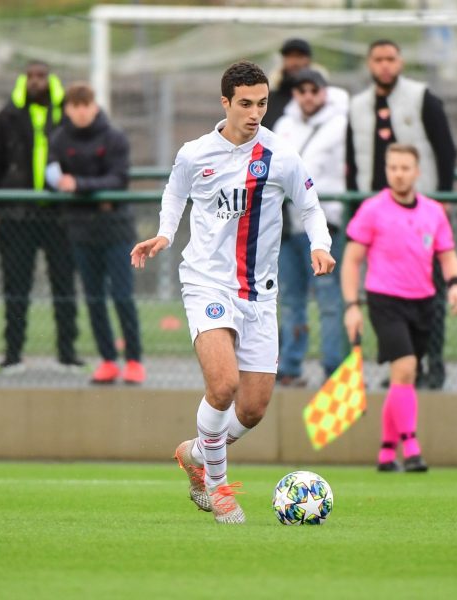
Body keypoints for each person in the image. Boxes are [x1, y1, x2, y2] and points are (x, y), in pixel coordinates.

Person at [130, 61, 335, 524]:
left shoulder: (279, 154)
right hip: (207, 281)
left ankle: (198, 452)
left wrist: (320, 245)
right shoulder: (195, 153)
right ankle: (219, 488)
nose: (254, 112)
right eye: (245, 103)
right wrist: (165, 233)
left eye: (261, 103)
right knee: (222, 386)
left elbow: (309, 205)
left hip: (260, 295)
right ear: (225, 102)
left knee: (255, 407)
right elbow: (174, 193)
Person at [342, 143, 457, 473]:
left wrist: (455, 284)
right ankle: (411, 448)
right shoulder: (372, 209)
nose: (399, 173)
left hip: (423, 301)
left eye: (405, 168)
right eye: (393, 167)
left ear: (417, 171)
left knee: (403, 378)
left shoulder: (433, 211)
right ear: (386, 170)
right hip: (385, 300)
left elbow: (447, 253)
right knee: (407, 367)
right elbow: (351, 261)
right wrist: (352, 306)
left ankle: (385, 452)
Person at [347, 39, 457, 390]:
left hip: (421, 208)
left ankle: (432, 365)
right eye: (377, 59)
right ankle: (401, 364)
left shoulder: (422, 97)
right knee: (385, 292)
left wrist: (444, 196)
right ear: (369, 63)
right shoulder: (358, 105)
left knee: (431, 293)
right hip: (378, 210)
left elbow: (446, 149)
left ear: (401, 61)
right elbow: (352, 156)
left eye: (390, 59)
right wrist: (355, 200)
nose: (384, 65)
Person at [0, 60, 82, 375]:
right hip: (16, 216)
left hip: (60, 217)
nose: (36, 82)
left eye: (41, 76)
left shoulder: (67, 115)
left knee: (64, 285)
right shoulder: (6, 117)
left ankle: (67, 354)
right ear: (23, 81)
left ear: (50, 79)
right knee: (15, 287)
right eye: (30, 77)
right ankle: (12, 354)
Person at [46, 82, 144, 385]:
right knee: (93, 298)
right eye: (73, 107)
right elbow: (52, 172)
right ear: (67, 110)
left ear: (94, 106)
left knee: (122, 296)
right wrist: (58, 181)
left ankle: (134, 360)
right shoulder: (60, 138)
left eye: (84, 105)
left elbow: (118, 179)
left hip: (116, 231)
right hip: (81, 231)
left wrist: (79, 185)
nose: (79, 112)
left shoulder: (114, 136)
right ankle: (107, 360)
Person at [273, 68, 346, 386]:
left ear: (324, 92)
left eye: (313, 90)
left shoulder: (341, 124)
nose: (308, 96)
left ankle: (335, 371)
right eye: (301, 90)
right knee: (291, 299)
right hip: (288, 224)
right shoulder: (283, 125)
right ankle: (289, 367)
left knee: (330, 301)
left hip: (326, 221)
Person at [261, 38, 313, 130]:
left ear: (308, 60)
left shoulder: (318, 99)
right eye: (289, 56)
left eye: (299, 56)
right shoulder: (269, 99)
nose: (294, 62)